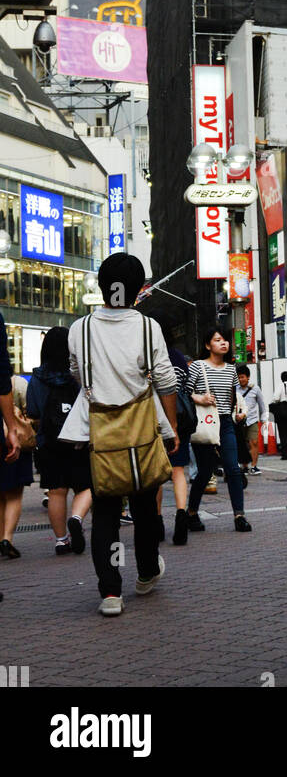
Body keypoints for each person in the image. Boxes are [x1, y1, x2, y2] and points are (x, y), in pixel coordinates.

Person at [59, 253, 178, 615]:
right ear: (139, 289)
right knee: (144, 504)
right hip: (142, 426)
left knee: (107, 509)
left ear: (101, 284)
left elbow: (77, 374)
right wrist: (170, 430)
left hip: (98, 430)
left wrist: (101, 389)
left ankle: (111, 593)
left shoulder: (79, 328)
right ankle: (144, 574)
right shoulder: (147, 327)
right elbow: (166, 380)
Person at [25, 327, 92, 555]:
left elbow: (33, 411)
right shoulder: (78, 376)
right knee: (86, 486)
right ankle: (76, 517)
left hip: (49, 442)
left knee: (56, 491)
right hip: (78, 440)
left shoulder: (37, 378)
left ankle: (61, 540)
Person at [186, 327, 252, 534]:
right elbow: (184, 393)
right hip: (204, 423)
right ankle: (191, 513)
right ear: (208, 345)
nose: (223, 343)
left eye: (225, 340)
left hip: (225, 423)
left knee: (233, 468)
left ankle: (239, 515)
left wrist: (235, 416)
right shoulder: (197, 367)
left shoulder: (232, 370)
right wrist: (200, 398)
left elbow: (231, 399)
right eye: (217, 340)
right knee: (205, 471)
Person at [153, 315, 192, 546]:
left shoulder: (150, 356)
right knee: (178, 471)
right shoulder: (178, 357)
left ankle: (157, 523)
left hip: (155, 420)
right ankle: (180, 514)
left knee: (156, 474)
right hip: (179, 419)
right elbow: (186, 388)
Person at [0, 370, 34, 559]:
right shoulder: (17, 383)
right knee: (14, 495)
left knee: (0, 496)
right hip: (13, 439)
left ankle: (0, 538)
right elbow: (30, 409)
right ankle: (7, 539)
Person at [236, 364, 268, 475]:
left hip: (252, 419)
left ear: (248, 377)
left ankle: (254, 466)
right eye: (239, 377)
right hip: (239, 421)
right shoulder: (234, 389)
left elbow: (262, 404)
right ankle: (244, 466)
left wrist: (264, 418)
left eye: (243, 377)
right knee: (242, 444)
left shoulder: (255, 388)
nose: (241, 379)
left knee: (254, 442)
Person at [269, 372, 287, 460]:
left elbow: (275, 398)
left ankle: (285, 454)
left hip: (283, 411)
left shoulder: (281, 385)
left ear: (282, 378)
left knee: (283, 432)